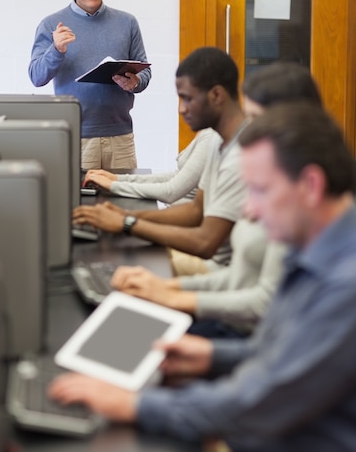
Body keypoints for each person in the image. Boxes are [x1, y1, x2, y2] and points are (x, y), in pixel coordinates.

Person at [49, 103, 356, 452]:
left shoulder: (344, 285)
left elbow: (259, 401)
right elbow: (284, 353)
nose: (250, 210)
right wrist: (211, 356)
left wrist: (137, 406)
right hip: (269, 440)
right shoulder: (312, 247)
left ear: (310, 186)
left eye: (260, 190)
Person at [111, 62, 322, 339]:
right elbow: (237, 277)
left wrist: (174, 298)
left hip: (245, 333)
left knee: (135, 337)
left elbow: (262, 304)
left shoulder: (299, 197)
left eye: (256, 120)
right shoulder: (260, 171)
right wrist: (169, 290)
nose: (249, 131)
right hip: (233, 318)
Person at [73, 46, 248, 276]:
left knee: (111, 266)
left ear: (216, 95)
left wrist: (126, 223)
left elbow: (205, 243)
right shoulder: (219, 141)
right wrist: (124, 216)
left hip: (216, 270)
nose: (181, 109)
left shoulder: (241, 153)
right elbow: (195, 211)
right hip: (204, 259)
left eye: (187, 99)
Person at [28, 0, 151, 170]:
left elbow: (144, 70)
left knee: (124, 202)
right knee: (78, 203)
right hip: (77, 139)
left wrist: (136, 82)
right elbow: (36, 77)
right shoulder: (51, 25)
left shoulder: (127, 22)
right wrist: (56, 50)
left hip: (121, 137)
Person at [83, 128, 215, 205]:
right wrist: (117, 179)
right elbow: (178, 176)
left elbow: (170, 191)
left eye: (189, 98)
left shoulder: (211, 137)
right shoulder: (207, 132)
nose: (182, 109)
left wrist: (113, 185)